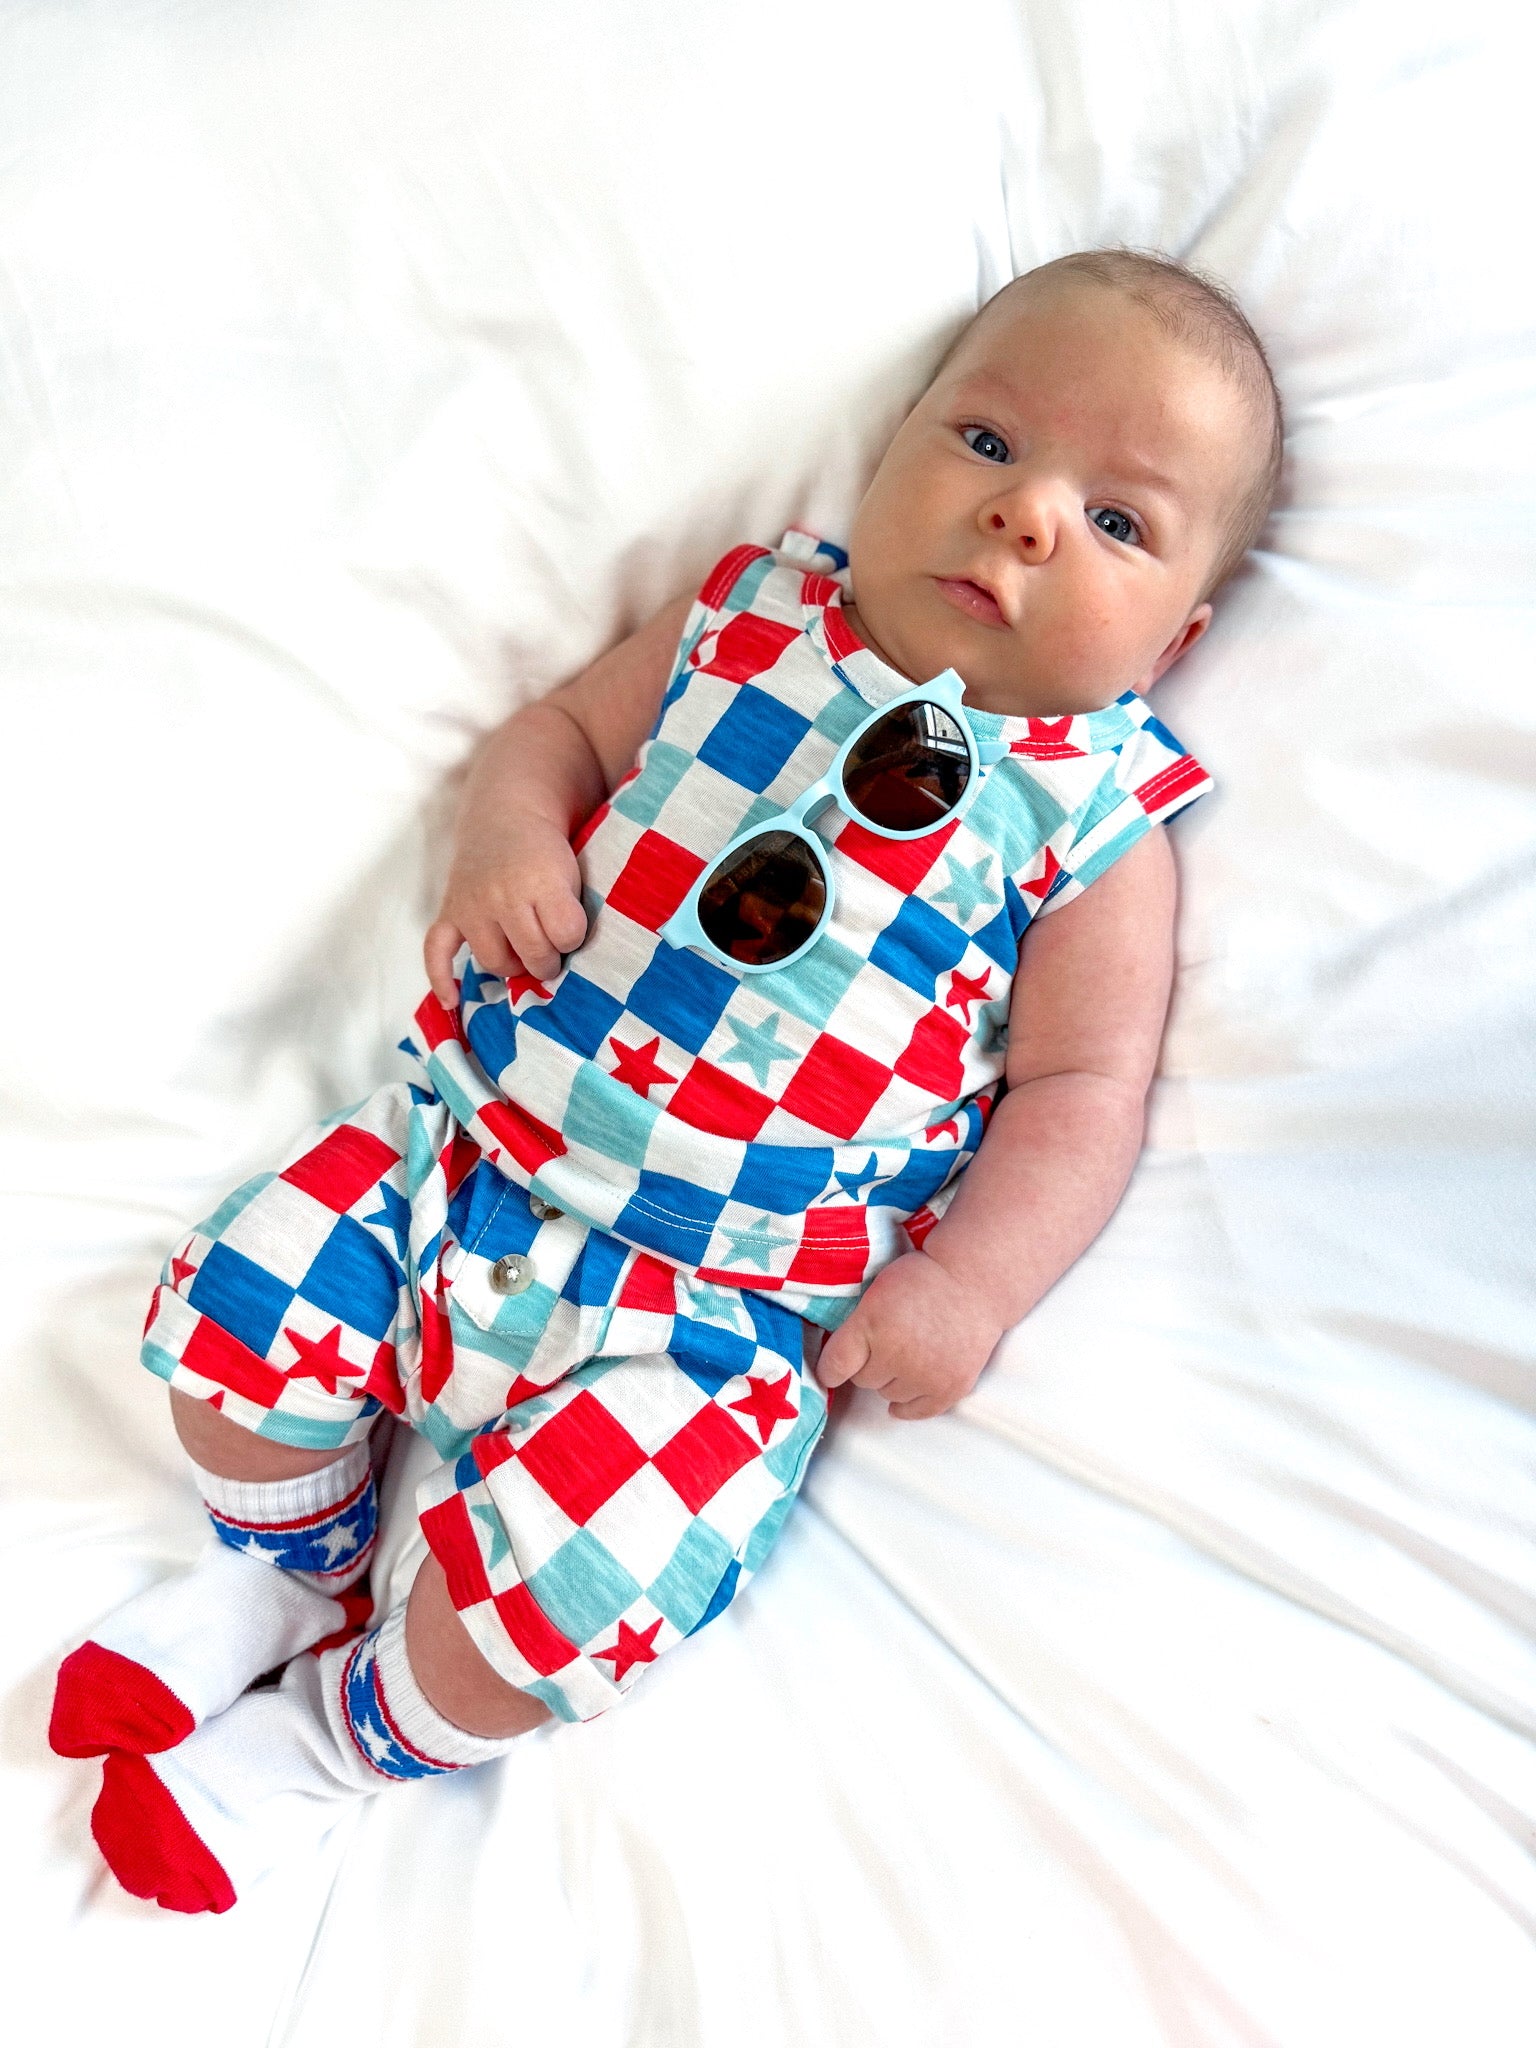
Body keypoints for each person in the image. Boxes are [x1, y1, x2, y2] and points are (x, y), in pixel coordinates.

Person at [49, 248, 1283, 1913]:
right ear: (893, 442)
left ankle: (341, 1740)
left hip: (712, 1322)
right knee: (247, 1311)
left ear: (1181, 635)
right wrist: (502, 835)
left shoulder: (1093, 820)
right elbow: (556, 732)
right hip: (467, 1153)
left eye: (1119, 521)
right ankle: (288, 1572)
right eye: (988, 444)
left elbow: (1080, 1090)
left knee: (580, 1583)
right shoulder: (755, 616)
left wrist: (971, 1289)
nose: (1028, 517)